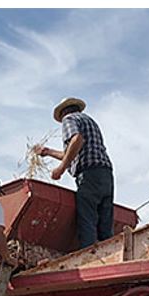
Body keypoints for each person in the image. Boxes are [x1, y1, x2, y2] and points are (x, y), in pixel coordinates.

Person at [36, 97, 115, 248]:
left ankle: (89, 256)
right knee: (105, 222)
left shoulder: (69, 119)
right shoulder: (90, 121)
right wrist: (47, 152)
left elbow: (77, 140)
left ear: (63, 113)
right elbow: (74, 150)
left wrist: (61, 169)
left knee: (87, 218)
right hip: (105, 173)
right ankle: (110, 252)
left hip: (88, 174)